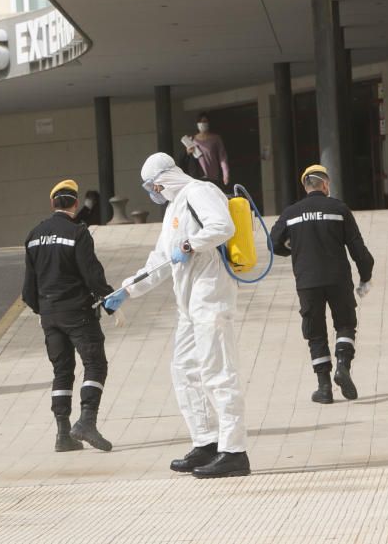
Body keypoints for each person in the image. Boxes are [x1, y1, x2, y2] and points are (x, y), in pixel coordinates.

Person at [105, 152, 249, 479]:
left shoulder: (200, 191)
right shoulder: (174, 207)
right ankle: (206, 441)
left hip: (210, 294)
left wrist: (190, 244)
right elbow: (159, 261)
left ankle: (234, 450)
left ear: (164, 179)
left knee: (218, 370)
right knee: (184, 369)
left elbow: (222, 226)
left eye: (152, 186)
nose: (152, 192)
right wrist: (126, 290)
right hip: (188, 302)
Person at [22, 179, 124, 452]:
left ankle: (63, 435)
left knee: (62, 371)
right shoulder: (78, 233)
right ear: (75, 204)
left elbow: (28, 287)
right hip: (77, 312)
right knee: (95, 365)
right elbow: (92, 274)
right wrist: (110, 302)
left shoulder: (33, 235)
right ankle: (87, 422)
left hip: (49, 314)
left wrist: (40, 309)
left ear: (52, 203)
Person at [270, 165, 374, 404]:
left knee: (315, 333)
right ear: (326, 185)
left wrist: (293, 246)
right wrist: (365, 276)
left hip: (307, 282)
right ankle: (343, 366)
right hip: (338, 278)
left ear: (305, 187)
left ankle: (324, 388)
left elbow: (273, 244)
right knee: (345, 324)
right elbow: (358, 249)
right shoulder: (339, 209)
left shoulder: (291, 213)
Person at [181, 113, 230, 186]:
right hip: (197, 176)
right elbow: (184, 159)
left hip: (213, 176)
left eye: (205, 121)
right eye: (200, 122)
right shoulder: (192, 139)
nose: (202, 124)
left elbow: (222, 157)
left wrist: (225, 174)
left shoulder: (216, 138)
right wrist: (188, 152)